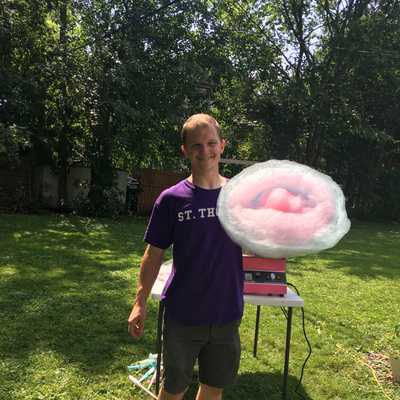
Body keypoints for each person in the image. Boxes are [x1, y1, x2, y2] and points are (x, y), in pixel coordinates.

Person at [128, 113, 244, 400]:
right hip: (184, 316)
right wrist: (139, 302)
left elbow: (262, 240)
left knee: (213, 390)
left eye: (211, 143)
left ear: (223, 145)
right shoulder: (171, 199)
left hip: (226, 314)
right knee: (173, 390)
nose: (205, 151)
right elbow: (153, 255)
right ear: (185, 150)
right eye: (196, 145)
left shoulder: (240, 196)